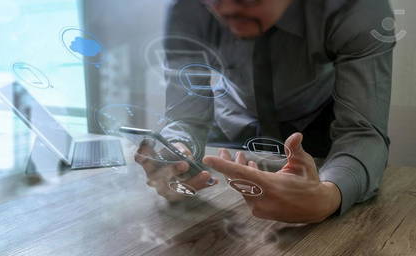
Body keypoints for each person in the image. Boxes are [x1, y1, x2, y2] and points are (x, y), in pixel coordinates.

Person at [135, 0, 395, 223]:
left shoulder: (356, 7)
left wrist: (329, 196)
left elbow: (362, 132)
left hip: (317, 129)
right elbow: (185, 116)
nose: (224, 9)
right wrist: (177, 151)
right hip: (232, 127)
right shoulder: (189, 7)